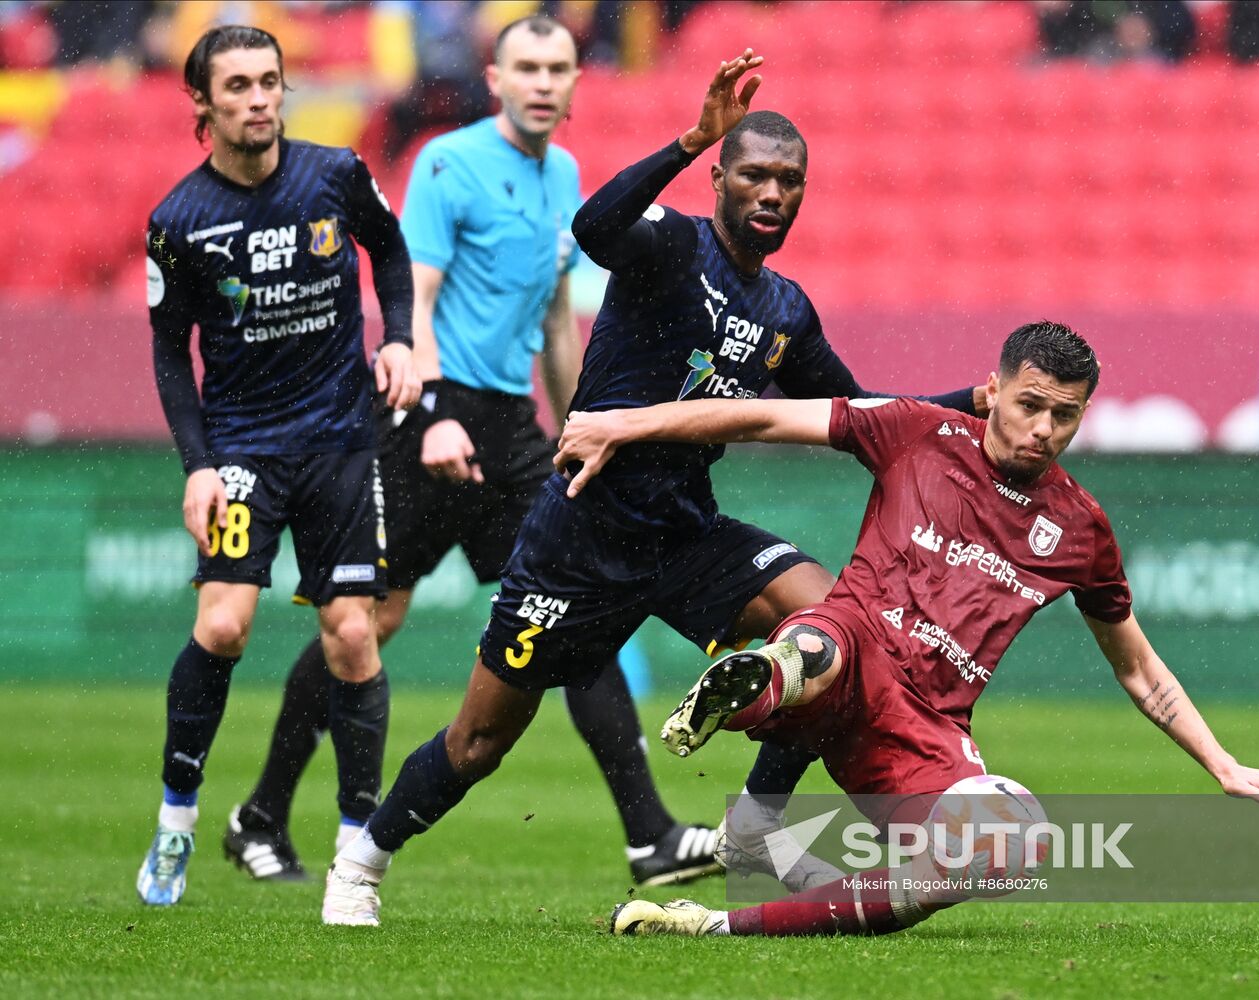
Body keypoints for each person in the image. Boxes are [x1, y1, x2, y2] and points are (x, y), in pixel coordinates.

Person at [319, 49, 983, 926]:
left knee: (829, 627)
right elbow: (594, 230)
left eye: (790, 181)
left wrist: (966, 406)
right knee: (479, 742)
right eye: (754, 175)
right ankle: (361, 862)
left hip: (683, 535)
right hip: (581, 540)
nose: (772, 194)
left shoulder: (786, 311)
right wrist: (684, 139)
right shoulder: (670, 245)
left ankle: (755, 823)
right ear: (720, 178)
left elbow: (854, 411)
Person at [552, 320, 1259, 938]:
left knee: (1008, 843)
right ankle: (751, 695)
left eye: (1065, 416)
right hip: (851, 649)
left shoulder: (1083, 528)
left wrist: (1223, 764)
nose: (1043, 430)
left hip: (925, 730)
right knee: (816, 643)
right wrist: (625, 426)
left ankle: (716, 926)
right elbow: (760, 413)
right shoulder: (914, 431)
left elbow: (1139, 669)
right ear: (992, 391)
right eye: (1030, 405)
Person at [224, 14, 719, 887]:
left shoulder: (566, 173)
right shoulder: (448, 164)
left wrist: (584, 432)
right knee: (366, 622)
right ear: (494, 78)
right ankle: (260, 815)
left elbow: (560, 326)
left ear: (573, 82)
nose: (541, 81)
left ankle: (650, 835)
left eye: (556, 67)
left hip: (513, 433)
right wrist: (437, 412)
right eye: (525, 66)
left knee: (575, 614)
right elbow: (411, 303)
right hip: (423, 416)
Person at [136, 24, 421, 906]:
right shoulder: (179, 222)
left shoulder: (335, 175)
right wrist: (197, 465)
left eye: (270, 81)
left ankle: (351, 856)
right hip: (243, 452)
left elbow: (393, 251)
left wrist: (403, 339)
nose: (260, 98)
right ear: (204, 104)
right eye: (239, 86)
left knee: (352, 634)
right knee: (223, 628)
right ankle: (176, 826)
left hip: (340, 442)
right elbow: (167, 352)